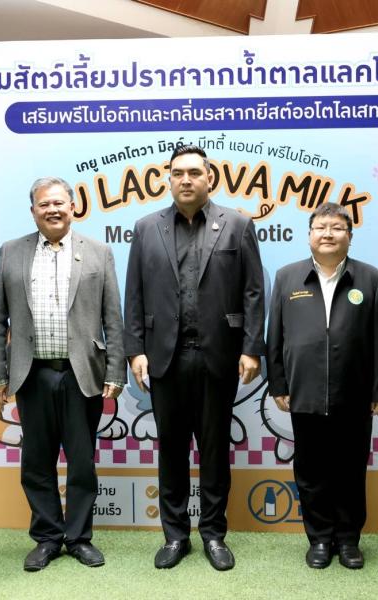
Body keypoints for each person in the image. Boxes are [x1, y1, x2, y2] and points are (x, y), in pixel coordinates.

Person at [124, 145, 265, 570]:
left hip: (218, 357)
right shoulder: (146, 228)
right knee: (171, 450)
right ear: (168, 179)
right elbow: (134, 295)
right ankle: (175, 536)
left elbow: (253, 292)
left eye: (194, 173)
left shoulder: (237, 225)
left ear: (209, 178)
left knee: (215, 451)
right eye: (178, 173)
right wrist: (135, 350)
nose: (186, 180)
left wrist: (251, 348)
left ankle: (214, 535)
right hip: (164, 359)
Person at [0, 176, 125, 572]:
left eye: (59, 202)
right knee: (36, 462)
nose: (53, 209)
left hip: (82, 375)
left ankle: (79, 538)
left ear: (73, 207)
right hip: (31, 374)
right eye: (44, 204)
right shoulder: (11, 251)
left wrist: (116, 370)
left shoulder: (98, 252)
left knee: (82, 462)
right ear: (33, 211)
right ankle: (47, 537)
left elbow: (113, 319)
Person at [266, 202, 378, 570]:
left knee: (351, 471)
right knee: (311, 472)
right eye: (321, 227)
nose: (328, 234)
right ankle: (319, 539)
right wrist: (278, 384)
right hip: (303, 392)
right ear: (309, 236)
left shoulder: (371, 279)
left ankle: (349, 540)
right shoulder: (287, 278)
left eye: (337, 228)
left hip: (355, 393)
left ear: (349, 237)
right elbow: (275, 337)